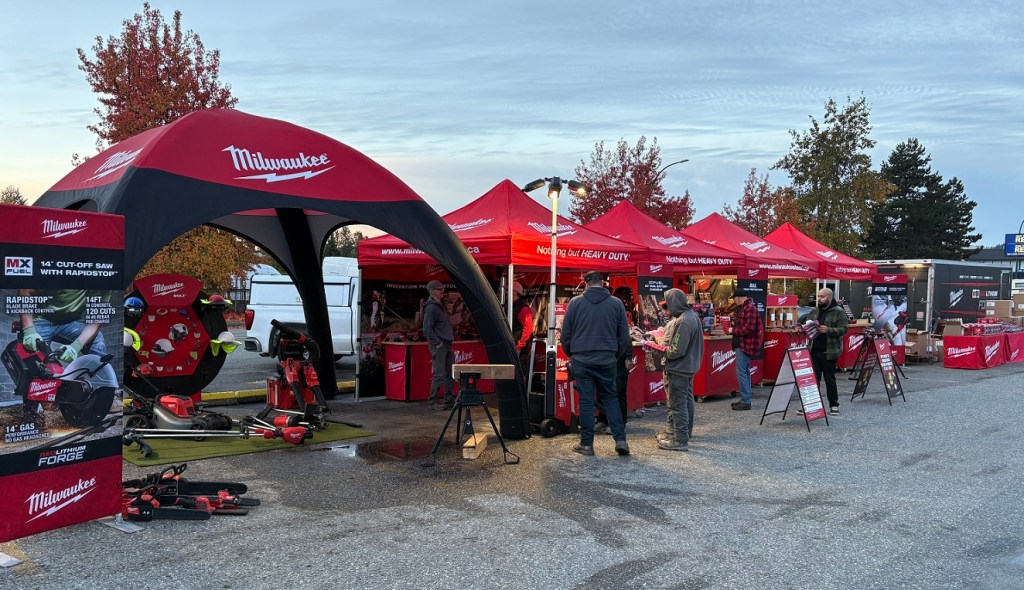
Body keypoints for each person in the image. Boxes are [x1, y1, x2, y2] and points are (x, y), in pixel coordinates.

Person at [560, 271, 631, 457]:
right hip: (607, 359)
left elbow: (565, 334)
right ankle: (621, 440)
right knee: (611, 398)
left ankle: (587, 445)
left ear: (586, 283)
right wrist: (615, 355)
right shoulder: (616, 304)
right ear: (603, 283)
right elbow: (624, 336)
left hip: (582, 359)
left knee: (585, 401)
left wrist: (571, 353)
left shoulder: (575, 303)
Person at [657, 288, 704, 451]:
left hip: (679, 368)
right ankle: (683, 433)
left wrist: (660, 348)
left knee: (677, 404)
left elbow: (676, 350)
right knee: (685, 401)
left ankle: (680, 440)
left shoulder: (683, 320)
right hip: (688, 367)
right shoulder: (692, 317)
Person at [19, 288, 109, 363]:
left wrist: (76, 346)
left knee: (97, 339)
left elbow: (97, 318)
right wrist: (29, 330)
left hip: (70, 322)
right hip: (41, 319)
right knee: (34, 357)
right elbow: (25, 291)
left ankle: (100, 377)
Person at [596, 286, 634, 434]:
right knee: (602, 390)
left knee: (618, 392)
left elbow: (626, 337)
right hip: (604, 358)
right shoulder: (599, 310)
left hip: (619, 358)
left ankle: (619, 423)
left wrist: (628, 357)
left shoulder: (616, 307)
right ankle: (603, 419)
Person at [807, 287, 848, 415]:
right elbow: (807, 324)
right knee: (814, 380)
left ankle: (834, 405)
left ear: (829, 298)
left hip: (829, 351)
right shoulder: (815, 311)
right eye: (818, 296)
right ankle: (811, 405)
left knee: (829, 379)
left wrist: (829, 330)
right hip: (814, 349)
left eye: (822, 297)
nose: (819, 299)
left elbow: (844, 329)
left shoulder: (838, 311)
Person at [730, 287, 764, 411]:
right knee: (745, 371)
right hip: (743, 345)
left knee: (742, 373)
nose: (734, 301)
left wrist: (733, 330)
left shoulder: (749, 308)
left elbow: (749, 328)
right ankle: (746, 399)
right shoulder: (747, 308)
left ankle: (745, 401)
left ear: (738, 298)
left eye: (734, 299)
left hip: (744, 345)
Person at [422, 280, 454, 410]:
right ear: (432, 291)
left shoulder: (439, 305)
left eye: (442, 289)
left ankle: (448, 400)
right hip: (440, 344)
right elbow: (427, 329)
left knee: (450, 374)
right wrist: (438, 343)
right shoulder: (431, 308)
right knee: (440, 374)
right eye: (440, 290)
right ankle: (433, 401)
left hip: (445, 343)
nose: (442, 292)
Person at [510, 282, 534, 376]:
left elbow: (528, 329)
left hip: (520, 348)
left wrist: (520, 346)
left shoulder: (523, 308)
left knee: (519, 372)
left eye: (508, 290)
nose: (506, 292)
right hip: (514, 345)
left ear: (515, 292)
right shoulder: (510, 306)